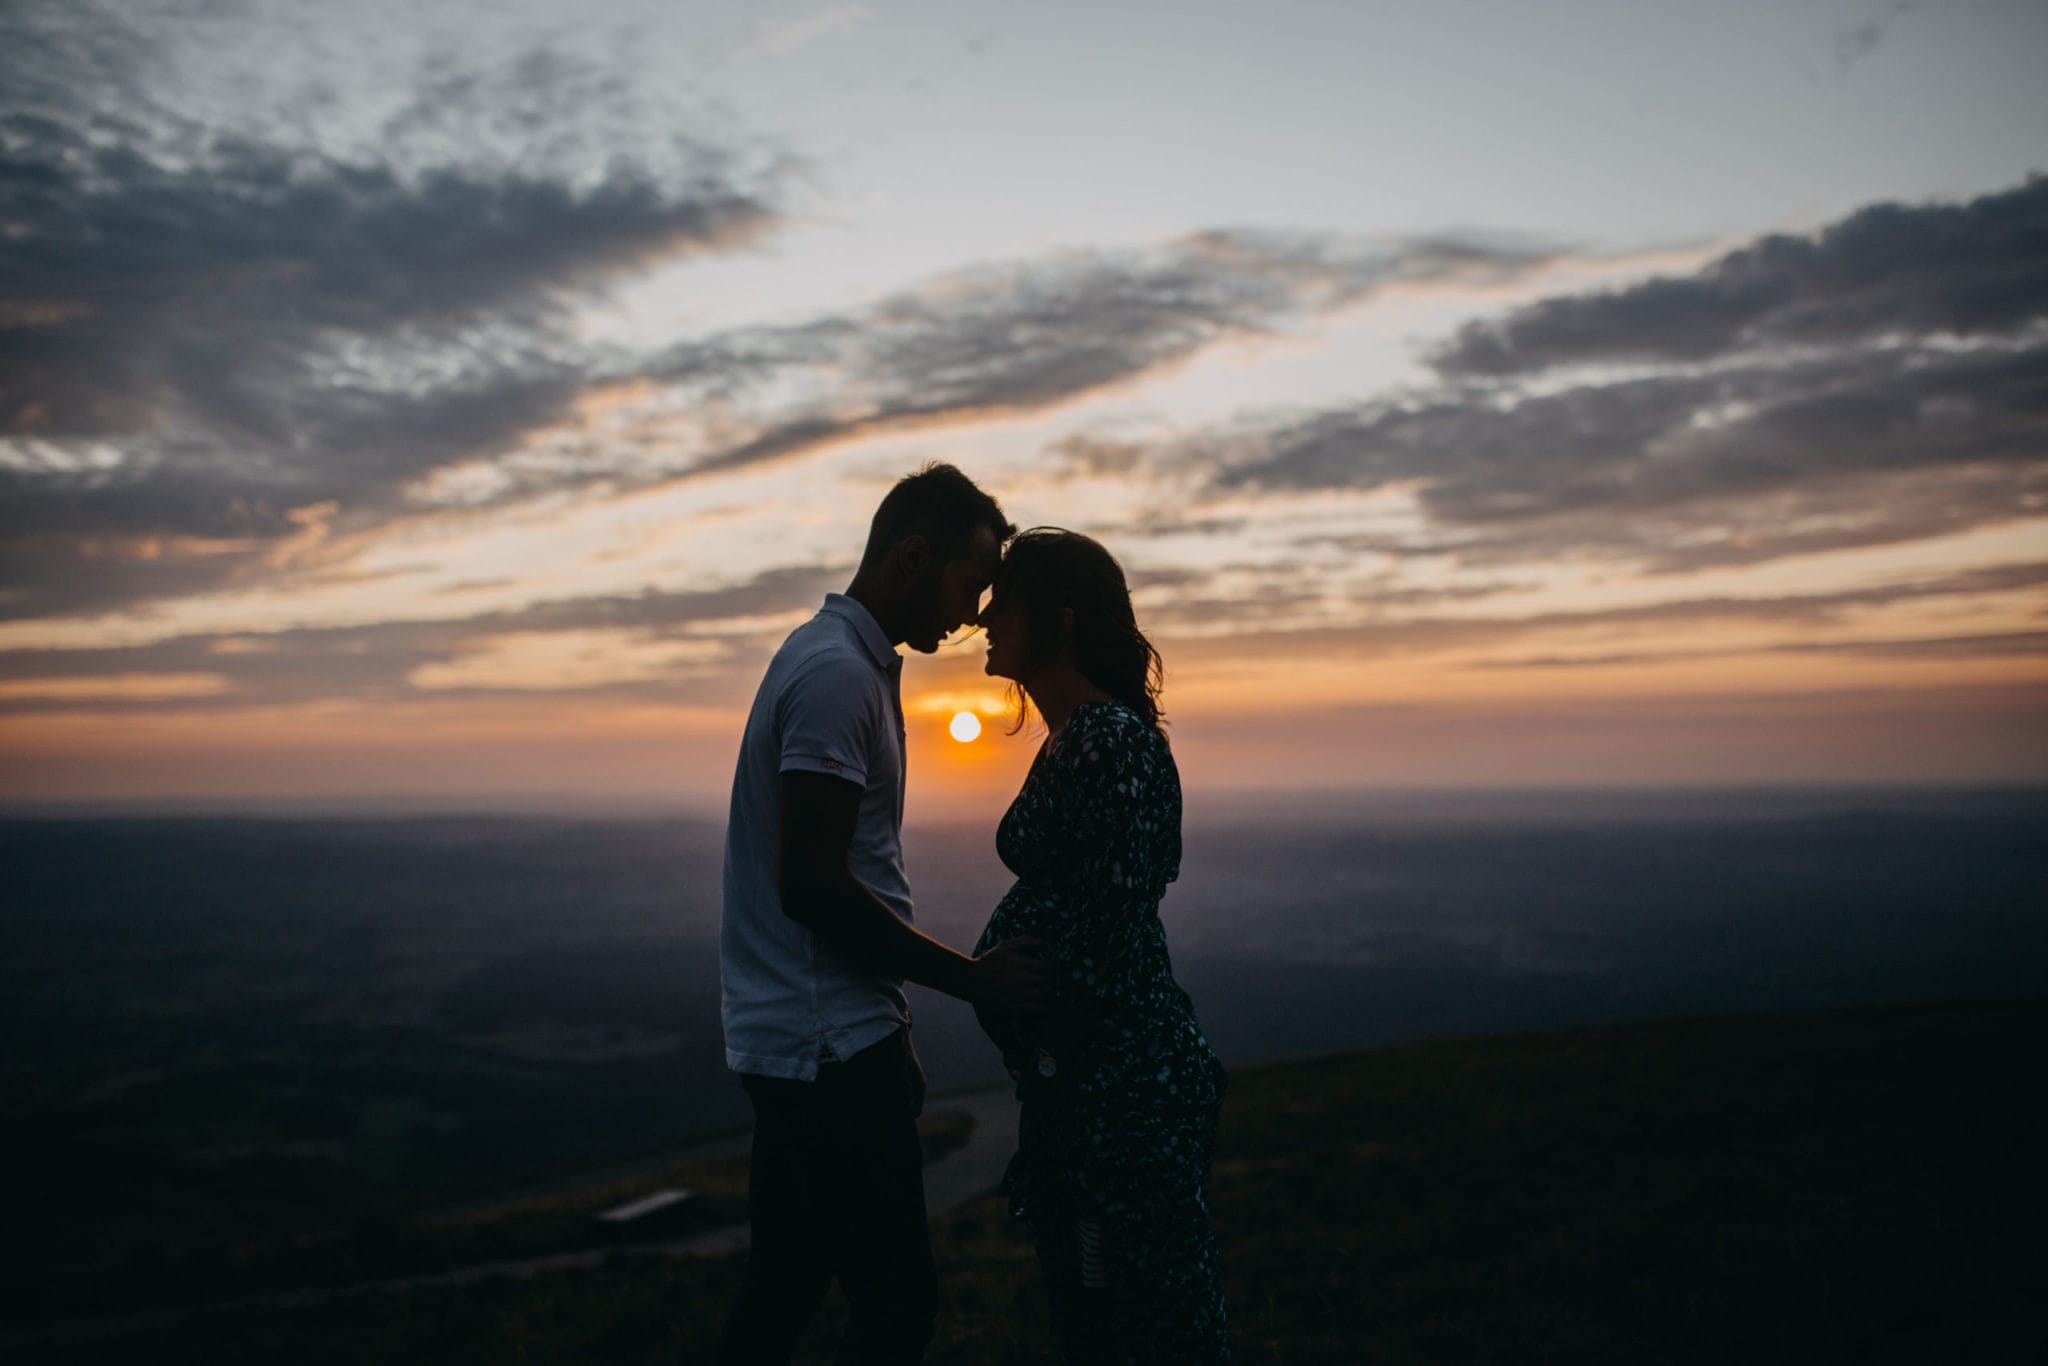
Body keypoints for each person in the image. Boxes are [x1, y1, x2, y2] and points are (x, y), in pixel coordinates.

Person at [717, 464, 1054, 1365]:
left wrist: (887, 1016)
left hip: (818, 1034)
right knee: (896, 1307)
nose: (975, 610)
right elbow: (813, 886)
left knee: (785, 1288)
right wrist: (971, 983)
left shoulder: (839, 661)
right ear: (912, 557)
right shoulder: (835, 677)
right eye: (968, 582)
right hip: (823, 1051)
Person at [971, 528, 1230, 1364]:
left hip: (1120, 1099)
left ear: (1062, 619)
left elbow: (1110, 933)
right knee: (1105, 1317)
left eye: (1005, 602)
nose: (984, 616)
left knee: (1145, 1325)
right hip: (1097, 1092)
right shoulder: (1080, 735)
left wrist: (1053, 1064)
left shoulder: (1105, 740)